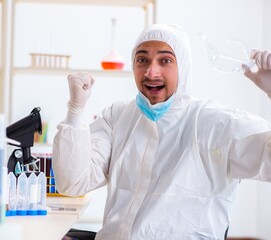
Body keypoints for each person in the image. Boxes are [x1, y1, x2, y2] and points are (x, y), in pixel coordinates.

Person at [52, 24, 271, 240]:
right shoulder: (117, 116)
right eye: (142, 60)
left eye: (165, 60)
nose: (151, 72)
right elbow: (73, 183)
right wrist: (75, 111)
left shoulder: (215, 123)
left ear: (182, 67)